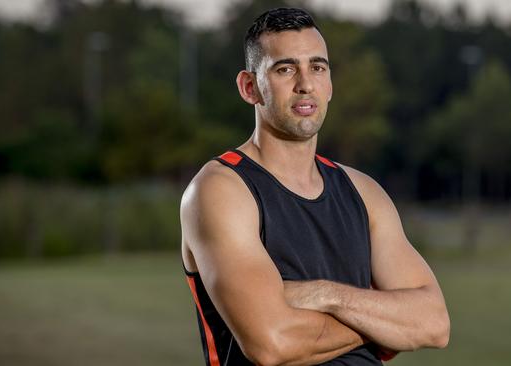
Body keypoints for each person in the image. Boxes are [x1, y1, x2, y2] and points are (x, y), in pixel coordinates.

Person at [180, 7, 450, 366]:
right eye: (285, 68)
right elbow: (271, 343)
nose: (305, 83)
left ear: (330, 84)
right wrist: (382, 322)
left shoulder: (363, 192)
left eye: (318, 67)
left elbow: (434, 323)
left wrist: (327, 295)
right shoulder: (221, 190)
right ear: (250, 87)